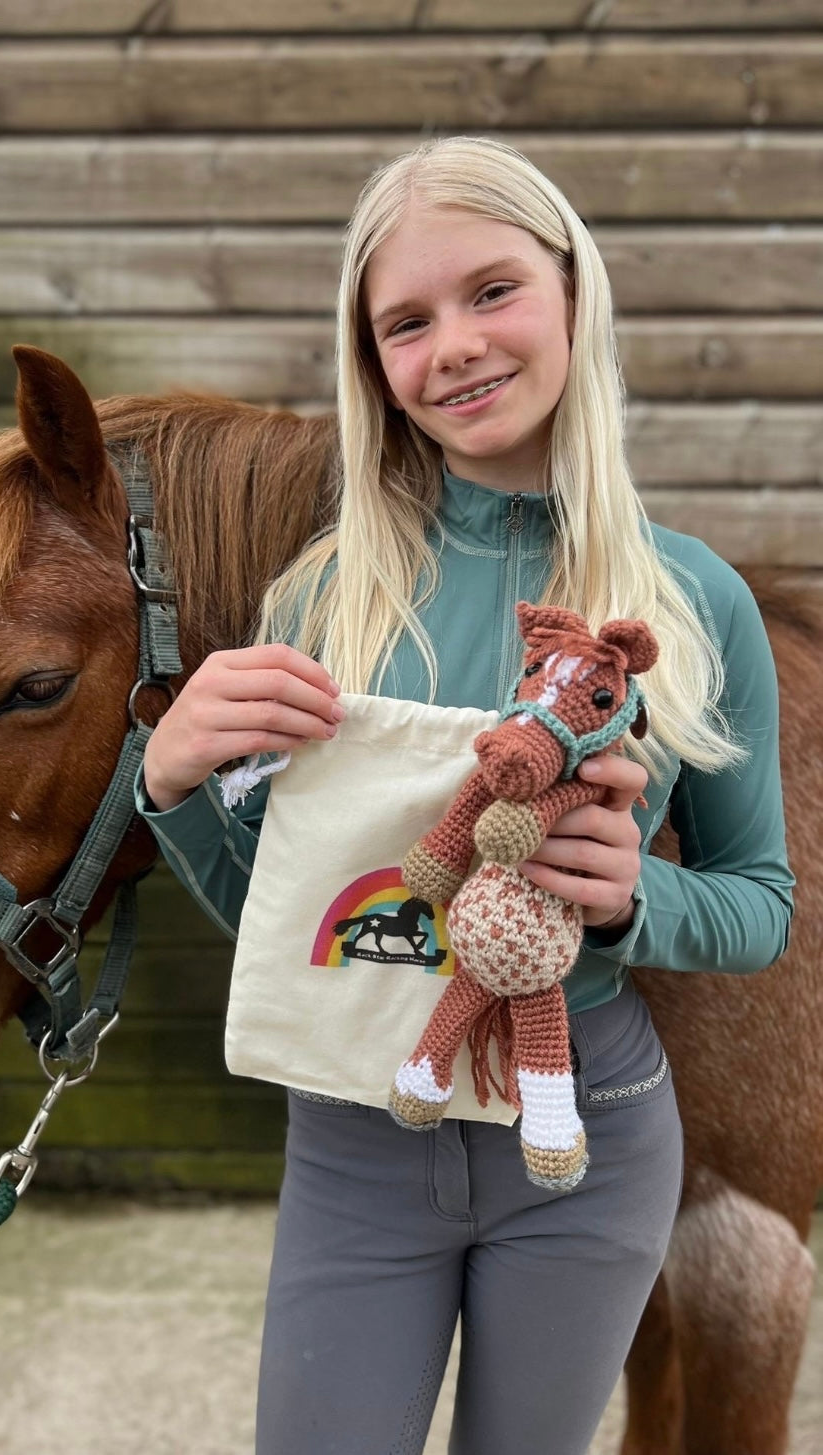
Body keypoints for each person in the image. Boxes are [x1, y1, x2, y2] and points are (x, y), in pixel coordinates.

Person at [135, 137, 794, 1455]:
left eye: (493, 291)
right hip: (359, 1142)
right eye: (406, 322)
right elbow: (289, 918)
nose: (456, 348)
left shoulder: (691, 603)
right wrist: (170, 783)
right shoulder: (322, 603)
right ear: (371, 359)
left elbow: (760, 906)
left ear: (571, 291)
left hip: (589, 1141)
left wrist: (633, 903)